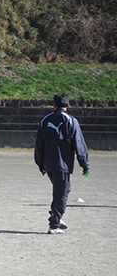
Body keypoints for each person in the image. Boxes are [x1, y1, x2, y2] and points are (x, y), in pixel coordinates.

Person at [35, 93, 89, 234]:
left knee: (63, 190)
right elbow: (79, 144)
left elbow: (39, 143)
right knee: (61, 193)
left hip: (48, 163)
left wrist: (40, 163)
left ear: (54, 105)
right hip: (62, 164)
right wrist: (84, 164)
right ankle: (54, 224)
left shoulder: (45, 120)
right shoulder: (71, 121)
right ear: (68, 106)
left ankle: (56, 215)